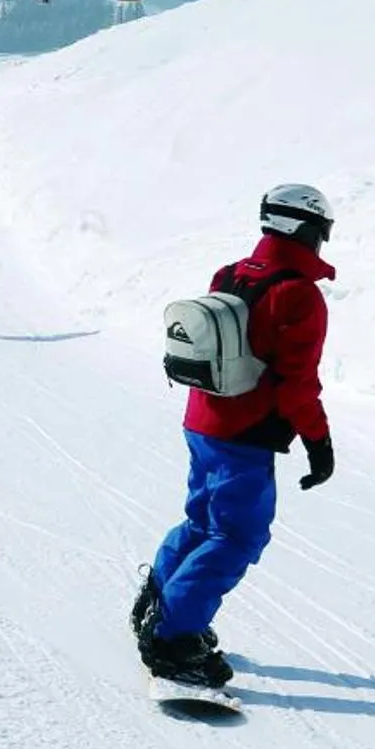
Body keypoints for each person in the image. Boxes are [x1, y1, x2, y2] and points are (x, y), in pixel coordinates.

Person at [132, 184, 337, 688]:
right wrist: (318, 442)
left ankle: (160, 603)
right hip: (243, 433)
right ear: (307, 230)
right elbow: (297, 384)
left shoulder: (231, 273)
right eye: (322, 233)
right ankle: (174, 639)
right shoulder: (298, 294)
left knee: (202, 522)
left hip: (201, 421)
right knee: (236, 534)